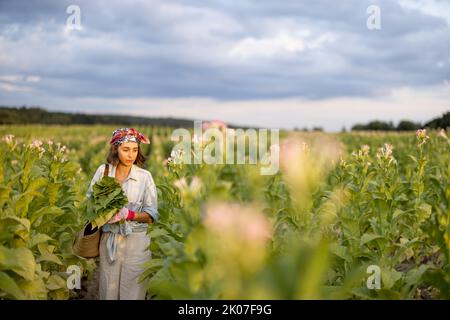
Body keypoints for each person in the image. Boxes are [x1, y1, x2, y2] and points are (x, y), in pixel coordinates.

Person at [86, 127, 158, 300]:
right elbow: (89, 202)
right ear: (115, 149)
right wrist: (102, 212)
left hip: (137, 243)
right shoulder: (103, 172)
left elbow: (152, 215)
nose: (130, 155)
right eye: (125, 150)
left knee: (133, 293)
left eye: (134, 150)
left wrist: (129, 214)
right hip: (110, 240)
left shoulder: (145, 177)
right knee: (108, 291)